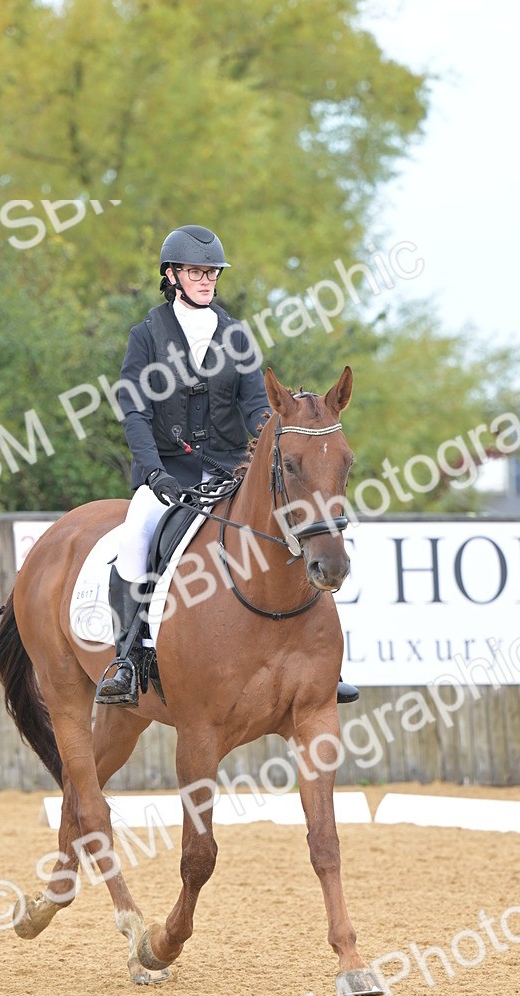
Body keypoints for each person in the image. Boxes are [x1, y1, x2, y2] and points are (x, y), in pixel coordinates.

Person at [95, 223, 359, 706]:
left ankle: (324, 662)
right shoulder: (146, 336)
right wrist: (152, 472)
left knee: (300, 531)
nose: (206, 280)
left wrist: (284, 432)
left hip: (228, 470)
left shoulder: (236, 336)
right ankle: (128, 659)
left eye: (212, 273)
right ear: (171, 275)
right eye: (196, 272)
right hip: (168, 473)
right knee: (135, 539)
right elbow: (135, 412)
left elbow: (257, 407)